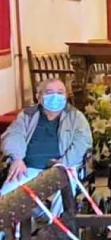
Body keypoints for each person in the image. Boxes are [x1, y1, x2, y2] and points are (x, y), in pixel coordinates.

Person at [1, 78, 92, 212]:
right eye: (49, 92)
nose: (55, 96)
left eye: (60, 92)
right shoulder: (27, 115)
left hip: (62, 167)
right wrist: (17, 158)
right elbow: (14, 134)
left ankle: (58, 229)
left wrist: (62, 165)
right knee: (5, 197)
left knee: (64, 194)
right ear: (39, 97)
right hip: (28, 167)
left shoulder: (76, 117)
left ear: (66, 96)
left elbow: (81, 144)